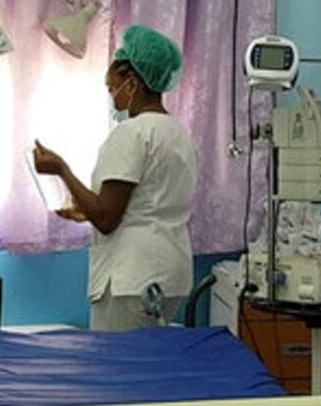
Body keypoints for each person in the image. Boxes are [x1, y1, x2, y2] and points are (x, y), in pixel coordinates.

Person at [33, 25, 200, 331]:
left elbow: (108, 218)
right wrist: (84, 211)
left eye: (113, 88)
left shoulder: (131, 133)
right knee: (150, 367)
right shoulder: (179, 135)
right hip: (171, 271)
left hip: (132, 278)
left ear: (132, 83)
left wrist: (62, 171)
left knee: (118, 371)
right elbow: (147, 203)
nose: (112, 98)